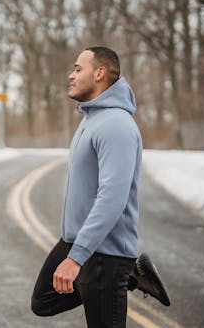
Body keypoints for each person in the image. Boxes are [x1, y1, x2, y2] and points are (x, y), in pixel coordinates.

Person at [31, 47, 170, 327]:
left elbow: (112, 198)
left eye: (78, 69)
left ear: (99, 73)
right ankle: (132, 277)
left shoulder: (116, 125)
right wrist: (75, 250)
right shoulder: (92, 120)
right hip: (78, 240)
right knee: (44, 300)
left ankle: (122, 276)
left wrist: (76, 258)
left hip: (106, 255)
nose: (71, 75)